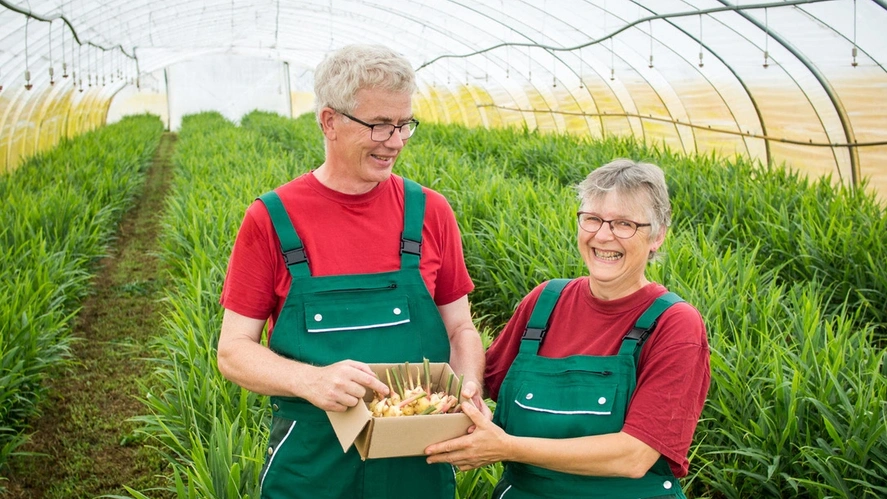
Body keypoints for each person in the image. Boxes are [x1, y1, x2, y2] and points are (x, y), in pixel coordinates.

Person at [217, 44, 490, 499]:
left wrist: (466, 389)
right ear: (329, 121)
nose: (396, 141)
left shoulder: (430, 211)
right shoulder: (272, 218)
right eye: (380, 125)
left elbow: (460, 326)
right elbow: (233, 351)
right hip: (312, 463)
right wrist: (312, 380)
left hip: (419, 457)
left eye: (404, 124)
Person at [426, 159, 710, 498]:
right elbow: (485, 382)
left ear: (657, 235)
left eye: (624, 224)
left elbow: (635, 455)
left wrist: (507, 447)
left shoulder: (674, 324)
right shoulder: (545, 302)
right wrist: (458, 393)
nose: (603, 235)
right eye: (592, 219)